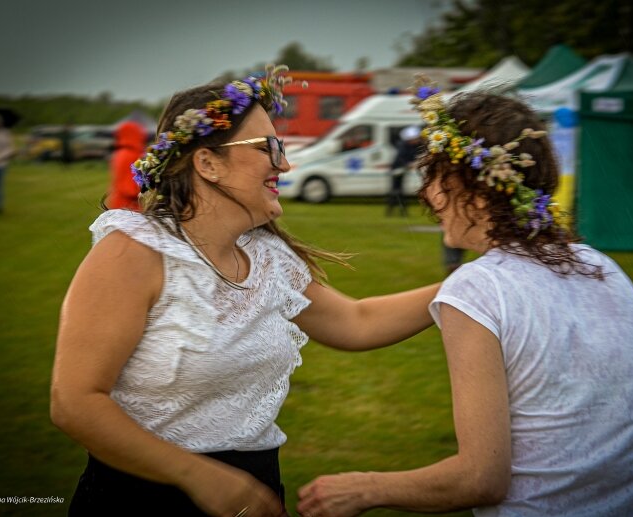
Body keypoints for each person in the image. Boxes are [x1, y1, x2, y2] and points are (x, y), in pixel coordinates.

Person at [50, 65, 440, 517]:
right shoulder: (134, 253)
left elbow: (357, 322)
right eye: (268, 147)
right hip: (142, 498)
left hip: (253, 493)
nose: (285, 162)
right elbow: (74, 402)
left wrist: (467, 285)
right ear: (208, 163)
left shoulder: (269, 259)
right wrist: (199, 478)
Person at [298, 84, 633, 516]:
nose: (430, 194)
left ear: (471, 186)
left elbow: (481, 478)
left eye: (435, 175)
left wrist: (363, 488)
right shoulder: (605, 269)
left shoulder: (478, 290)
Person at [106, 120, 147, 210]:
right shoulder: (132, 155)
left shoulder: (119, 153)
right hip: (129, 207)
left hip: (117, 201)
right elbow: (130, 189)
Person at [385, 125, 421, 217]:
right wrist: (408, 164)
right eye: (416, 138)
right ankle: (400, 211)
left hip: (402, 169)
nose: (418, 140)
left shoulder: (412, 146)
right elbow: (401, 158)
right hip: (397, 169)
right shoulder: (403, 146)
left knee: (397, 190)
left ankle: (393, 211)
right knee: (397, 190)